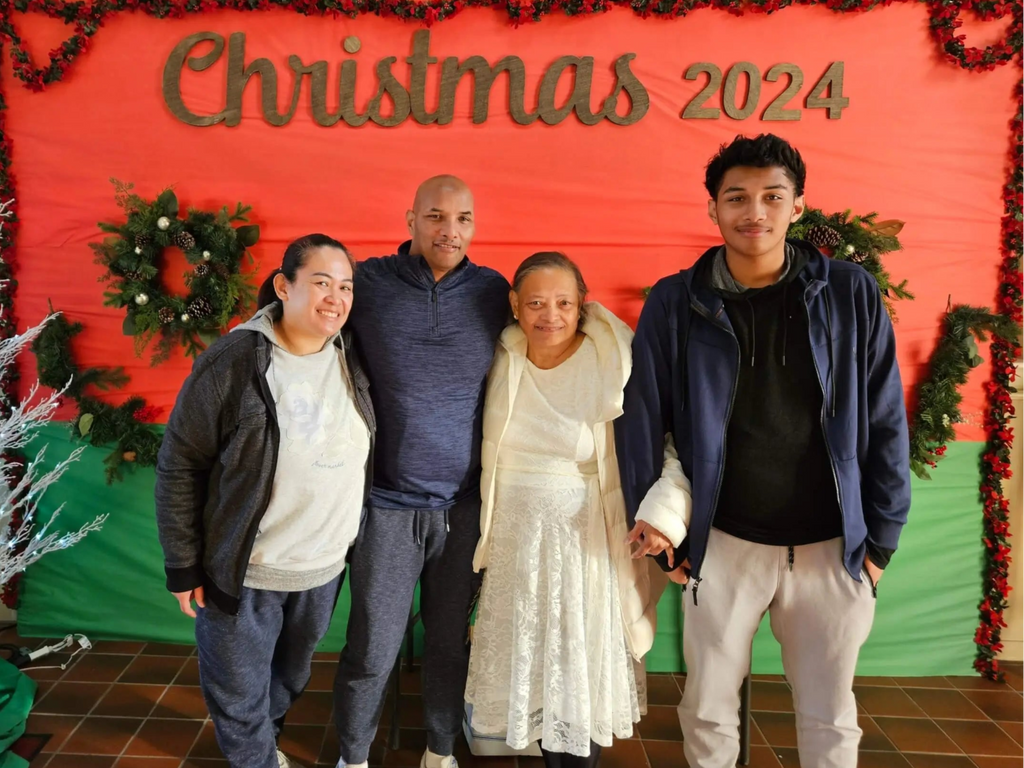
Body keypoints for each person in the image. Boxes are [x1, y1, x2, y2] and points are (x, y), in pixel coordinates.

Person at [616, 134, 912, 768]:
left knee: (831, 716)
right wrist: (665, 536)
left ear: (797, 206)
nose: (755, 212)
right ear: (714, 210)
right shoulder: (678, 299)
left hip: (834, 546)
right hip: (723, 541)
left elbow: (886, 415)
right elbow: (642, 415)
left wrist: (880, 541)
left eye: (772, 196)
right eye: (737, 198)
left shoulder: (849, 292)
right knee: (707, 709)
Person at [155, 234, 374, 768]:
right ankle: (254, 758)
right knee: (238, 691)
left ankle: (265, 742)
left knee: (289, 678)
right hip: (247, 570)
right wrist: (183, 565)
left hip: (321, 569)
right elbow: (181, 464)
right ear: (284, 285)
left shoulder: (350, 356)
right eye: (321, 282)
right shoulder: (234, 361)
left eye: (344, 287)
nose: (335, 298)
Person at [464, 252, 679, 767]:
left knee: (577, 674)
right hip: (516, 547)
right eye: (535, 302)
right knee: (532, 677)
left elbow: (665, 443)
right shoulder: (499, 356)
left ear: (582, 303)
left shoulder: (615, 359)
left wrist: (664, 515)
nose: (550, 315)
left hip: (584, 543)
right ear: (515, 305)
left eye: (563, 302)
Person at [333, 175, 510, 768]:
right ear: (410, 218)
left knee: (448, 645)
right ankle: (353, 756)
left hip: (464, 508)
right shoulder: (371, 282)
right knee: (371, 647)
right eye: (436, 217)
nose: (449, 231)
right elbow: (303, 305)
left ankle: (440, 751)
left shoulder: (493, 291)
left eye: (463, 219)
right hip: (385, 504)